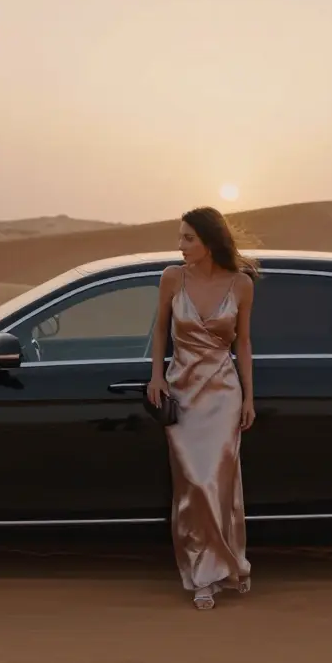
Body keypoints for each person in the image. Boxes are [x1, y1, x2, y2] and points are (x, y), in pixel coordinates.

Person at [147, 205, 259, 610]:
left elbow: (242, 344)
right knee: (193, 484)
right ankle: (201, 569)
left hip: (223, 393)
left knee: (218, 482)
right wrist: (157, 375)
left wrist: (248, 396)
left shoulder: (241, 284)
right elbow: (160, 328)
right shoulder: (172, 278)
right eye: (180, 237)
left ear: (209, 242)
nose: (180, 246)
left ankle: (214, 575)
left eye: (188, 238)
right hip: (181, 390)